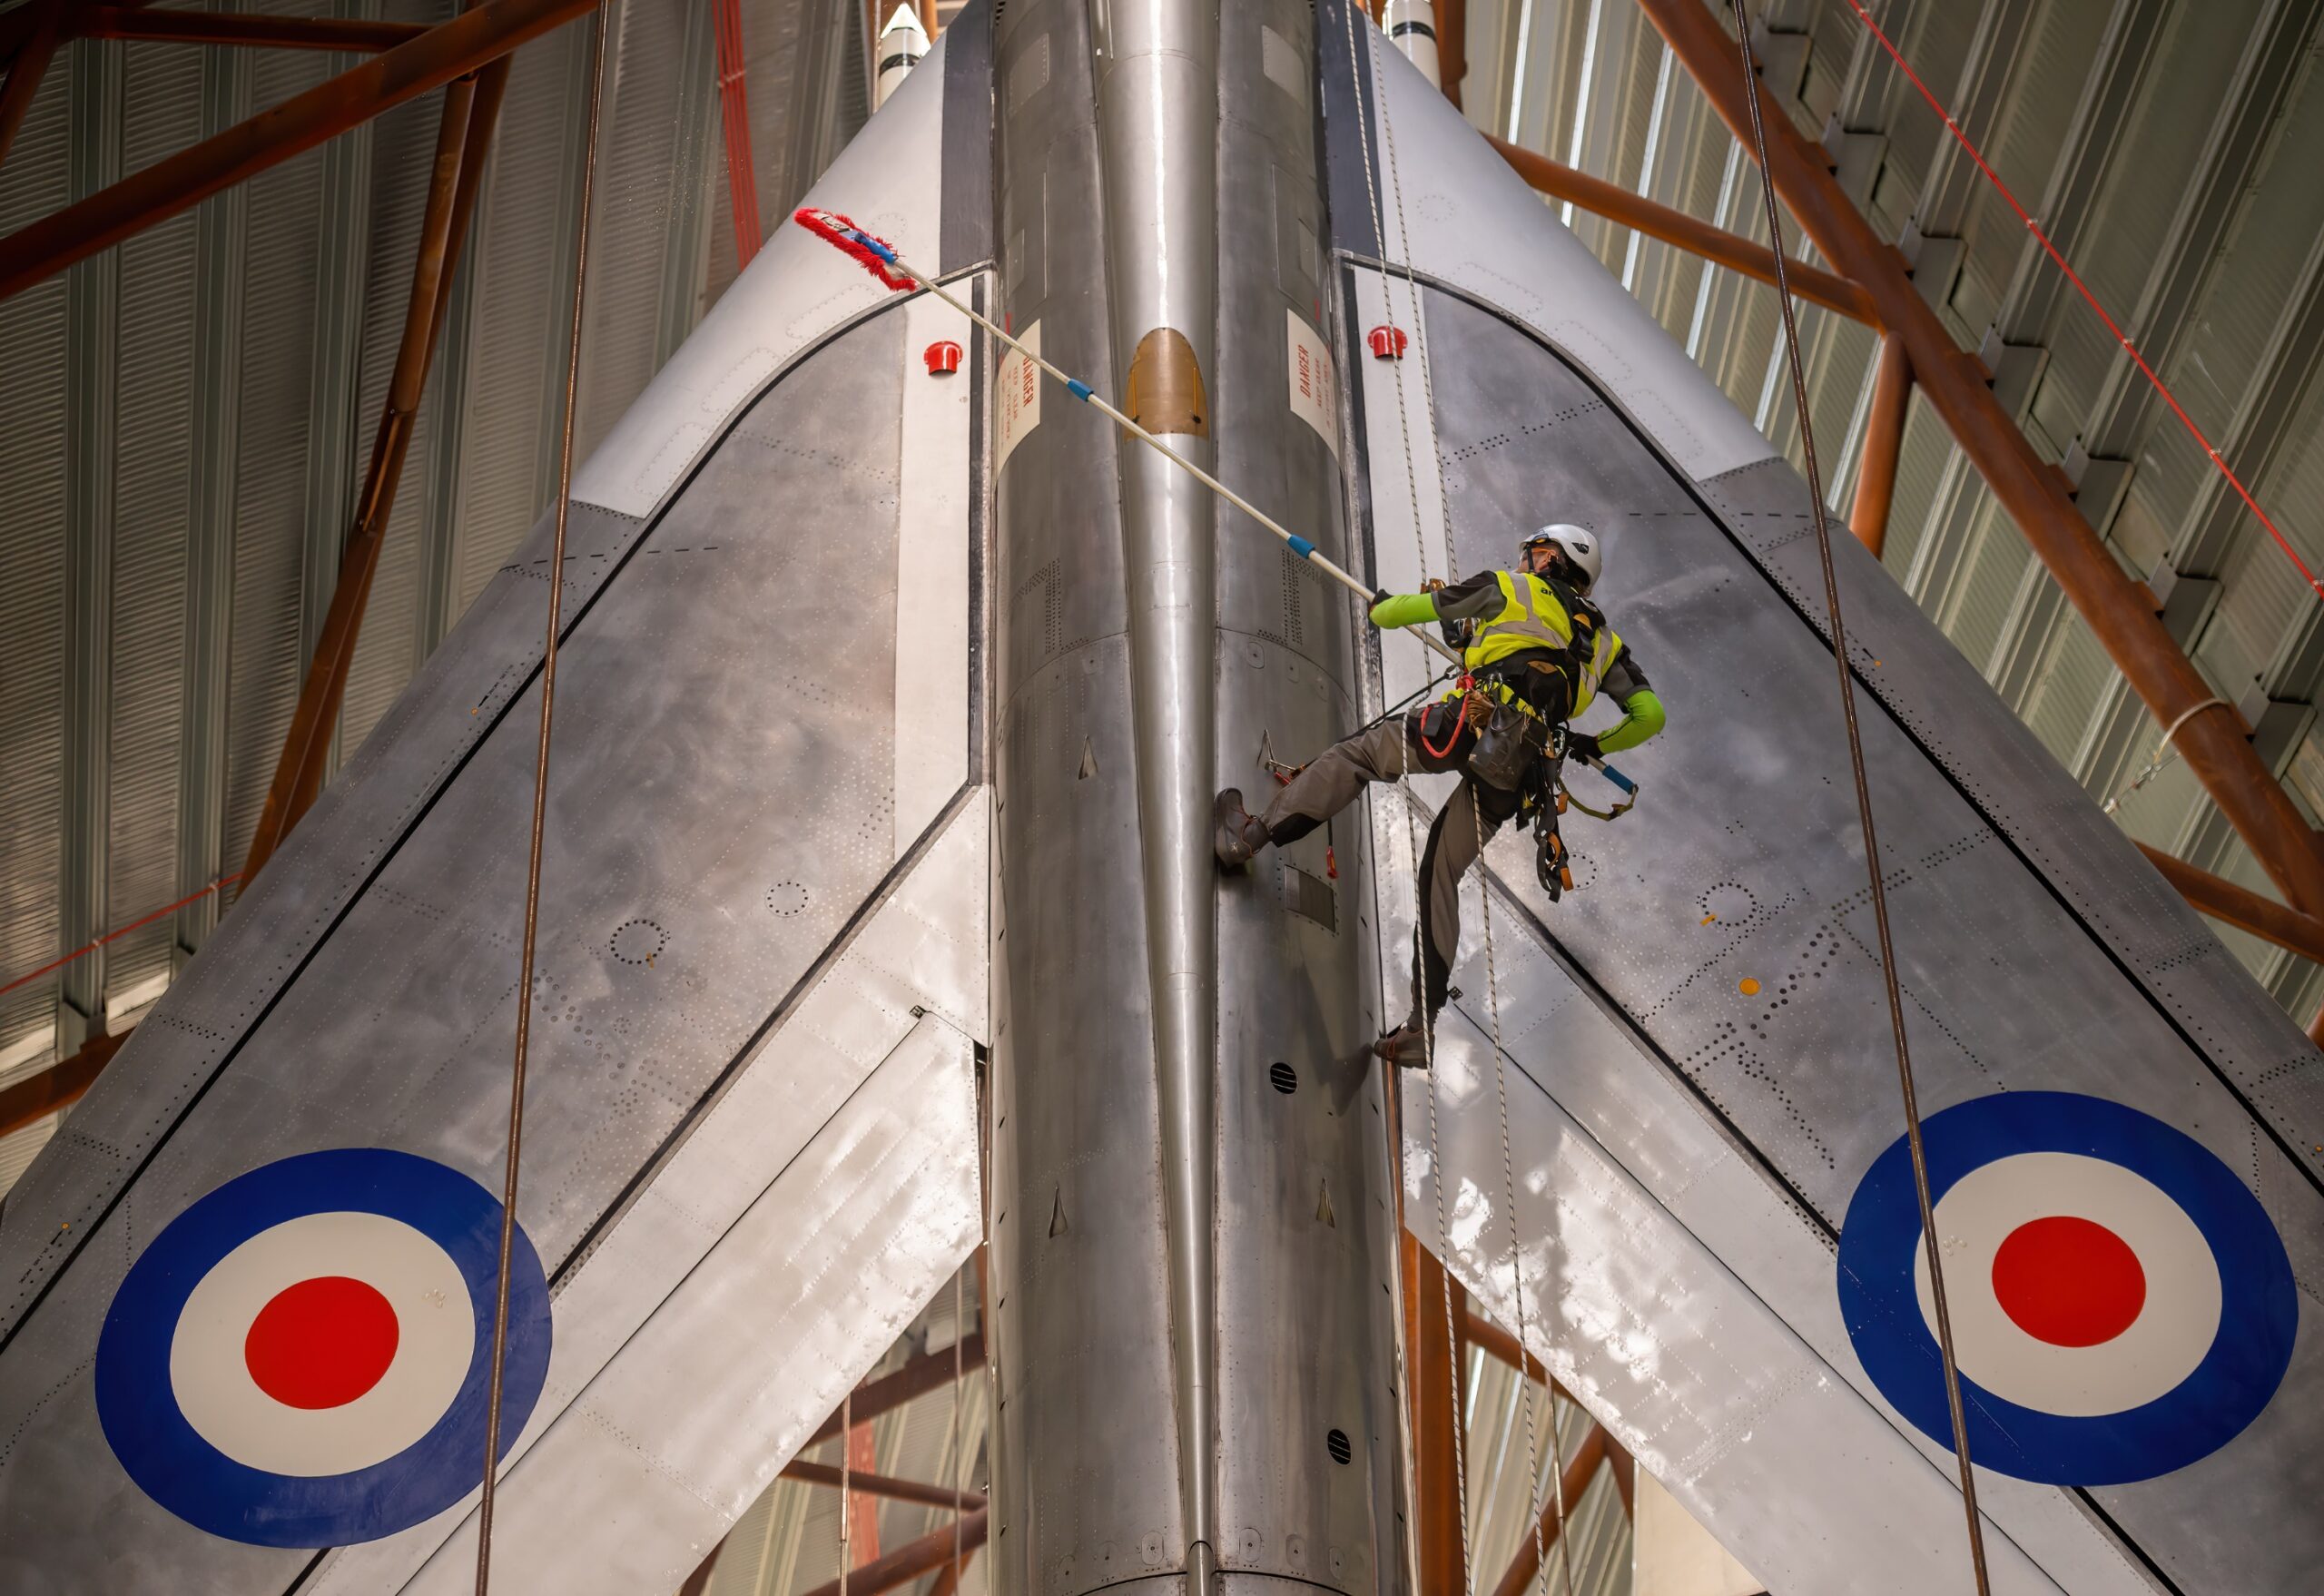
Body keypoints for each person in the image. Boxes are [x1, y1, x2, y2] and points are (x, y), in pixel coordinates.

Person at [1214, 525, 1665, 1067]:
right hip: (1524, 773)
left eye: (1530, 553)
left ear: (1547, 556)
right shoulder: (1606, 644)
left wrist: (1384, 607)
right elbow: (1650, 715)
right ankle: (1419, 1029)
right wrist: (1591, 742)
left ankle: (1247, 836)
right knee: (1441, 872)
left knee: (1358, 756)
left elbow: (1395, 614)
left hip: (1471, 725)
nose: (1523, 560)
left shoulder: (1510, 587)